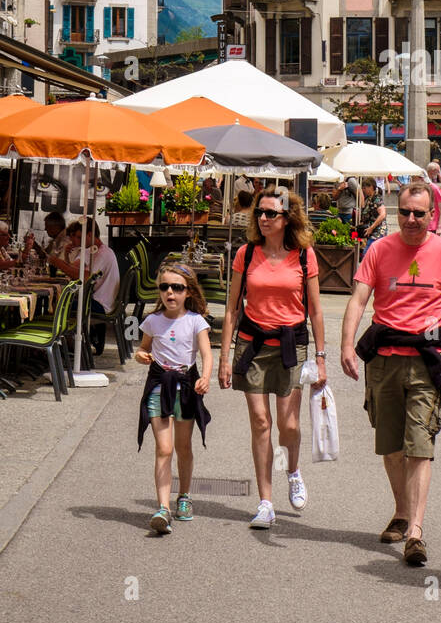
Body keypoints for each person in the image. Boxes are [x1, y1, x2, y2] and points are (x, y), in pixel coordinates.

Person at [340, 182, 441, 567]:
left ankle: (415, 530)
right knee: (391, 445)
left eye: (419, 213)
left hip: (426, 360)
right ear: (397, 212)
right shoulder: (379, 250)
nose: (411, 220)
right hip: (383, 359)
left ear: (433, 214)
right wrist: (347, 345)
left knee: (420, 444)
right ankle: (401, 511)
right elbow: (359, 299)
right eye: (405, 212)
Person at [219, 188, 326, 527]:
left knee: (288, 424)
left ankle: (292, 470)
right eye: (259, 213)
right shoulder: (246, 254)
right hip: (252, 345)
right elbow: (232, 309)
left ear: (286, 218)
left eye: (270, 214)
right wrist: (224, 357)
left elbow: (317, 311)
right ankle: (265, 502)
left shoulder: (305, 256)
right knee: (260, 423)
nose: (263, 219)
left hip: (291, 345)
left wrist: (321, 359)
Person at [134, 261, 212, 534]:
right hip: (158, 385)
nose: (170, 292)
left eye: (177, 288)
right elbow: (142, 349)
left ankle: (185, 496)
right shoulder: (152, 321)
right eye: (165, 287)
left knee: (184, 447)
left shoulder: (195, 321)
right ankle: (163, 508)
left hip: (187, 387)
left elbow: (206, 354)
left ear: (187, 292)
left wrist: (206, 377)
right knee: (163, 449)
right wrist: (141, 356)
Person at [48, 221, 120, 356]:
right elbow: (76, 271)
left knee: (57, 305)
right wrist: (67, 260)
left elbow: (84, 277)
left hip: (100, 305)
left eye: (79, 237)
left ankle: (63, 346)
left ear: (90, 234)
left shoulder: (103, 253)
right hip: (95, 300)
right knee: (59, 301)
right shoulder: (94, 251)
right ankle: (66, 345)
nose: (77, 241)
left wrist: (58, 263)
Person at [358, 177, 387, 258]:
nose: (363, 190)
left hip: (378, 232)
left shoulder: (377, 198)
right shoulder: (368, 199)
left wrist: (371, 227)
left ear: (371, 187)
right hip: (371, 232)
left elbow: (383, 214)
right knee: (371, 255)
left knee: (367, 254)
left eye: (364, 188)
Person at [426, 163, 441, 236]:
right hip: (431, 225)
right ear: (432, 171)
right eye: (438, 171)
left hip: (430, 225)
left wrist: (439, 226)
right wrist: (439, 226)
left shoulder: (425, 185)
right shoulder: (434, 188)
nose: (438, 173)